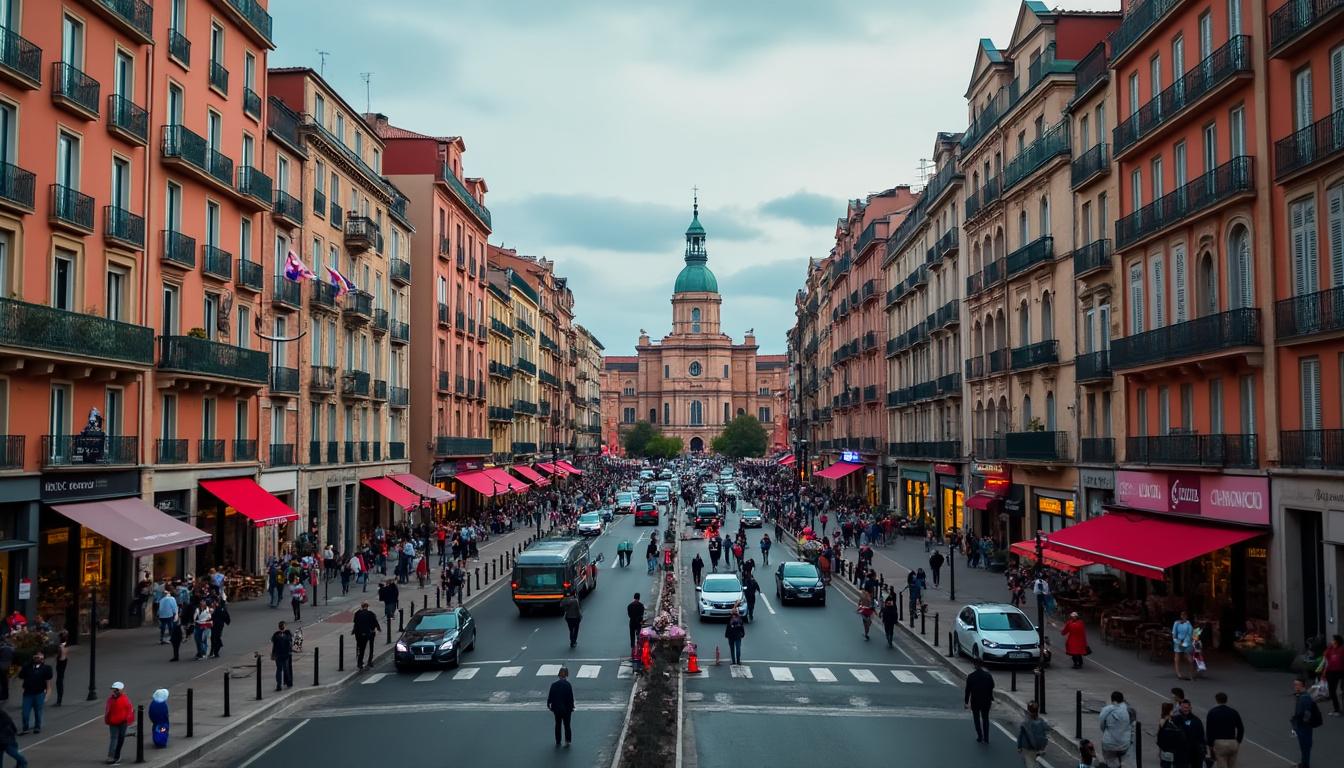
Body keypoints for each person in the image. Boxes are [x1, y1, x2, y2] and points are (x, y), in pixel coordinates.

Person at [1205, 691, 1244, 768]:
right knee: (1232, 765)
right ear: (1226, 700)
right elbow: (1241, 728)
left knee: (1221, 764)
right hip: (1232, 742)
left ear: (1216, 700)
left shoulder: (1212, 712)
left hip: (1219, 743)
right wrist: (1238, 741)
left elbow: (1209, 730)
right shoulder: (1233, 712)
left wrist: (1210, 745)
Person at [1290, 677, 1322, 768]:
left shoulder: (1305, 697)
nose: (1295, 686)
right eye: (1294, 684)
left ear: (1302, 685)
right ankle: (1303, 763)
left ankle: (1305, 765)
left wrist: (1303, 723)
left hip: (1304, 727)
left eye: (1297, 684)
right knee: (1304, 747)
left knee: (1305, 746)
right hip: (1302, 726)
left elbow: (1307, 713)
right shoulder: (1301, 695)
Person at [17, 652, 51, 735]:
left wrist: (47, 694)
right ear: (33, 658)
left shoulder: (46, 668)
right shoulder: (27, 667)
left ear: (43, 659)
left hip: (39, 693)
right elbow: (21, 676)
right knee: (25, 712)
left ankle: (37, 726)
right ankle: (25, 727)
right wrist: (25, 666)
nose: (38, 659)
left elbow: (48, 683)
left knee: (38, 711)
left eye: (41, 658)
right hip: (28, 693)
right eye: (37, 657)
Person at [1097, 690, 1134, 767]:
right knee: (1121, 758)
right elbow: (1132, 727)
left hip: (1109, 743)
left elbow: (1102, 725)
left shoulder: (1106, 710)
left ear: (1112, 700)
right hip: (1124, 744)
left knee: (1110, 760)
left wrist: (1106, 732)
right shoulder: (1129, 710)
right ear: (1122, 699)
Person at [964, 657, 995, 743]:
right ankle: (986, 737)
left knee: (976, 719)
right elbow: (992, 686)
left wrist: (966, 702)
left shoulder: (971, 677)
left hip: (975, 701)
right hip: (986, 700)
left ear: (974, 665)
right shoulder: (988, 676)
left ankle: (980, 736)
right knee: (985, 718)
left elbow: (967, 691)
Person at [105, 682, 134, 765]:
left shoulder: (111, 699)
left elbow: (108, 711)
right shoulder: (124, 699)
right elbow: (129, 710)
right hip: (121, 722)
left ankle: (111, 756)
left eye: (115, 690)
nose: (114, 691)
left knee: (114, 739)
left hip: (113, 722)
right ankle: (115, 756)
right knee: (119, 739)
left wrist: (107, 720)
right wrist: (129, 720)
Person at [547, 666, 575, 747]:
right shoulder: (568, 685)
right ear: (566, 675)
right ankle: (567, 740)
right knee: (567, 725)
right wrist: (572, 707)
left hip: (557, 708)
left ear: (559, 675)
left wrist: (549, 704)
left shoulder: (554, 685)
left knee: (558, 724)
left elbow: (550, 696)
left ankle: (558, 740)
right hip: (566, 709)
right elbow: (570, 698)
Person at [1174, 699, 1206, 768]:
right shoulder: (1176, 719)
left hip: (1194, 751)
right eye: (1183, 708)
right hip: (1180, 752)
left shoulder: (1196, 720)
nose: (1185, 709)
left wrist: (1204, 750)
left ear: (1190, 708)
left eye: (1187, 707)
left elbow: (1201, 736)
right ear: (1180, 708)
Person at [1016, 701, 1049, 767]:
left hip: (1028, 747)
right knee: (1032, 760)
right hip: (1038, 747)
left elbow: (1021, 735)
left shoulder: (1025, 722)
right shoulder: (1041, 721)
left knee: (1030, 763)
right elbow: (1046, 731)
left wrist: (1019, 746)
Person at [1155, 702, 1186, 768]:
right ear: (1169, 711)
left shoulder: (1163, 720)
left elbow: (1159, 735)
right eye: (1172, 709)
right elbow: (1161, 736)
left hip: (1166, 749)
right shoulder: (1169, 721)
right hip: (1170, 749)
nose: (1173, 711)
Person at [352, 602, 381, 671]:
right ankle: (369, 661)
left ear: (361, 607)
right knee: (370, 646)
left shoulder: (357, 613)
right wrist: (377, 628)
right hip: (368, 632)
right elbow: (375, 621)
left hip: (358, 632)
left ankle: (360, 662)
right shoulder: (370, 613)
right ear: (367, 607)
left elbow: (355, 622)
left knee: (360, 647)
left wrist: (354, 630)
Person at [1322, 634, 1344, 716]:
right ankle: (1336, 709)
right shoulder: (1330, 649)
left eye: (1333, 639)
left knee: (1342, 690)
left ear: (1337, 641)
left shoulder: (1342, 649)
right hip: (1330, 671)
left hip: (1340, 671)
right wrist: (1329, 647)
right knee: (1332, 691)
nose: (1331, 641)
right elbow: (1325, 655)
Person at [270, 621, 294, 691]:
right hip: (285, 654)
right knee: (286, 669)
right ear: (285, 626)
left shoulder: (276, 634)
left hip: (278, 654)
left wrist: (273, 654)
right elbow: (290, 640)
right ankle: (288, 682)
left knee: (279, 669)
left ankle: (279, 685)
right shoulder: (287, 634)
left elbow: (272, 641)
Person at [1171, 611, 1195, 680]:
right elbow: (1174, 633)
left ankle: (1191, 674)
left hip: (1187, 642)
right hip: (1178, 641)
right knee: (1177, 656)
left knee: (1190, 659)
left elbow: (1190, 633)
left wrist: (1187, 642)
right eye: (1182, 615)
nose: (1183, 616)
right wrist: (1177, 641)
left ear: (1187, 616)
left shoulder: (1188, 624)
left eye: (1185, 615)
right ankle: (1178, 673)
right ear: (1180, 616)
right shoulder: (1176, 623)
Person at [53, 631, 69, 707]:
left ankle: (59, 701)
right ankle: (59, 700)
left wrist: (60, 656)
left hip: (61, 665)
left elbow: (62, 656)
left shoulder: (61, 646)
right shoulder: (64, 645)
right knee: (59, 682)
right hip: (62, 663)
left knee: (59, 683)